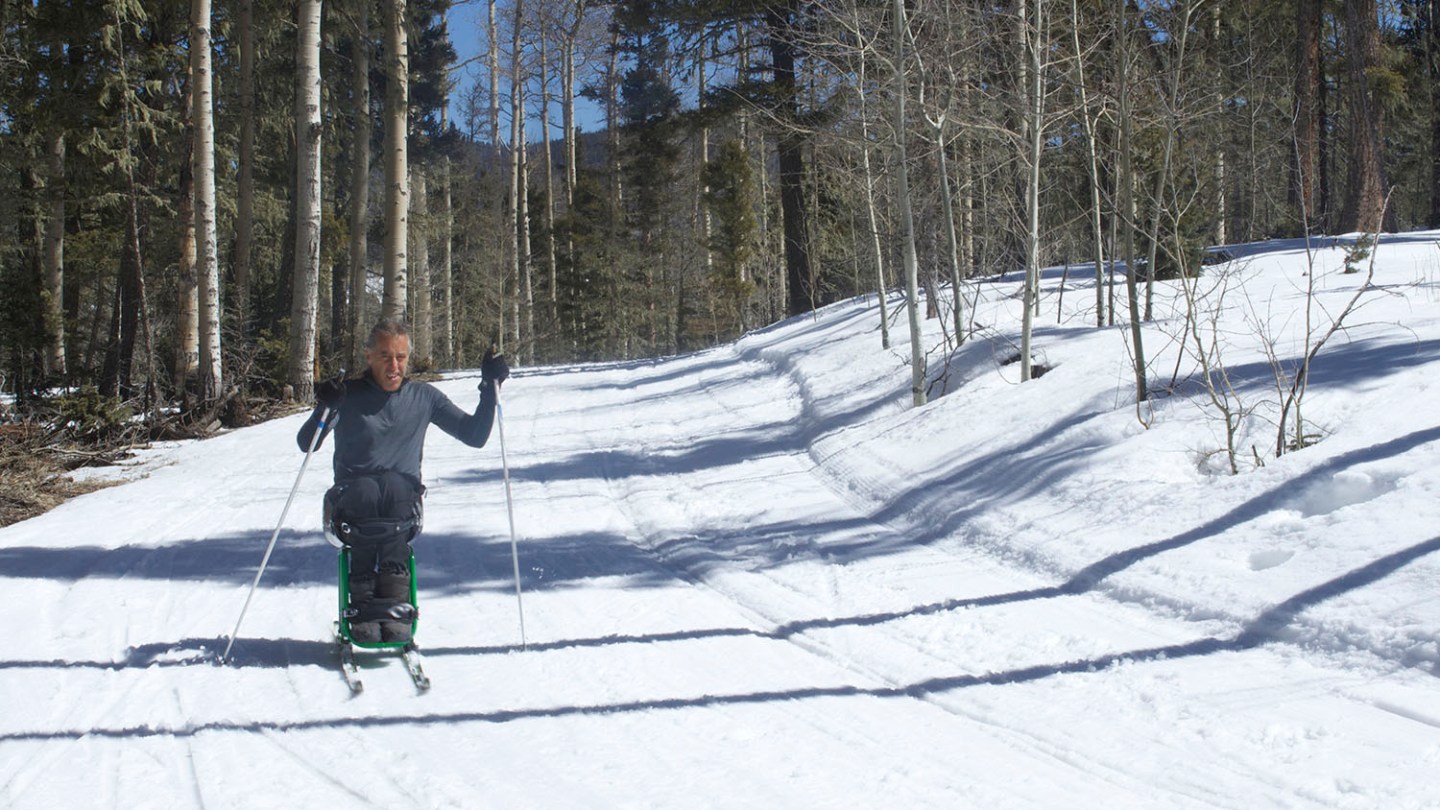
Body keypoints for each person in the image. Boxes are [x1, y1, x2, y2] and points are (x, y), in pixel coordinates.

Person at [297, 318, 509, 643]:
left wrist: (488, 389)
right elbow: (306, 443)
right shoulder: (348, 395)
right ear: (368, 356)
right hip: (353, 503)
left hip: (401, 506)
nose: (394, 365)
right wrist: (324, 408)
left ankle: (394, 598)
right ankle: (364, 597)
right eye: (385, 356)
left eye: (401, 357)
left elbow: (474, 435)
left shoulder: (424, 397)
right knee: (368, 488)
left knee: (397, 486)